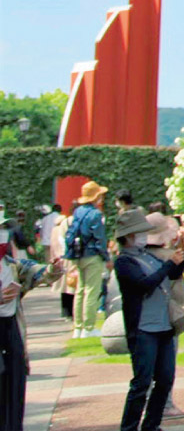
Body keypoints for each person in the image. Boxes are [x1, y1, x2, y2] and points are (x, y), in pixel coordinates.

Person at [113, 210, 184, 431]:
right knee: (142, 382)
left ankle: (151, 425)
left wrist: (180, 257)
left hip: (163, 326)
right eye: (139, 233)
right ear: (128, 236)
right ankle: (129, 427)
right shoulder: (124, 262)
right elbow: (145, 284)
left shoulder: (149, 256)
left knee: (165, 379)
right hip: (143, 329)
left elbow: (172, 275)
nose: (144, 237)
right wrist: (168, 264)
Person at [1, 219, 63, 431]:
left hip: (11, 329)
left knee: (15, 385)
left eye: (3, 230)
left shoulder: (11, 264)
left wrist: (53, 269)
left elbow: (38, 273)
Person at [144, 212, 184, 418]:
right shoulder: (169, 256)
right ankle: (165, 405)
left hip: (145, 316)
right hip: (167, 314)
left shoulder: (140, 256)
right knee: (166, 363)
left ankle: (149, 403)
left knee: (147, 363)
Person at [63, 181, 109, 338]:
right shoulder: (96, 214)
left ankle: (78, 327)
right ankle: (88, 327)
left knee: (80, 291)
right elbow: (99, 237)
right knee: (92, 291)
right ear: (96, 197)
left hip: (78, 254)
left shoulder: (78, 211)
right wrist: (105, 256)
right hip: (92, 255)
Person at [50, 204, 77, 320]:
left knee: (65, 285)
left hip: (65, 256)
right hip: (74, 256)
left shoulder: (64, 223)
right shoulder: (78, 221)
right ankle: (74, 312)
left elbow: (61, 240)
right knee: (74, 285)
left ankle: (66, 312)